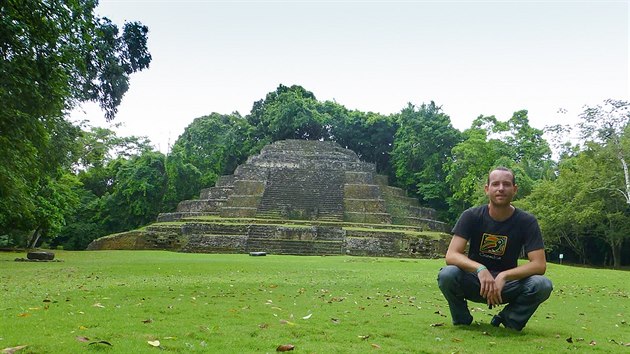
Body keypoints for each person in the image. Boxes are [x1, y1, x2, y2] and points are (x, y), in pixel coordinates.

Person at [437, 166, 552, 331]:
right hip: (475, 281)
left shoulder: (527, 222)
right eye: (495, 184)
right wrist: (480, 269)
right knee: (447, 274)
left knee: (542, 284)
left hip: (506, 286)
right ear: (487, 189)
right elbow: (452, 255)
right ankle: (461, 319)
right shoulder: (471, 216)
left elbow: (539, 265)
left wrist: (505, 276)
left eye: (506, 184)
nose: (501, 189)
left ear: (515, 189)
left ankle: (509, 319)